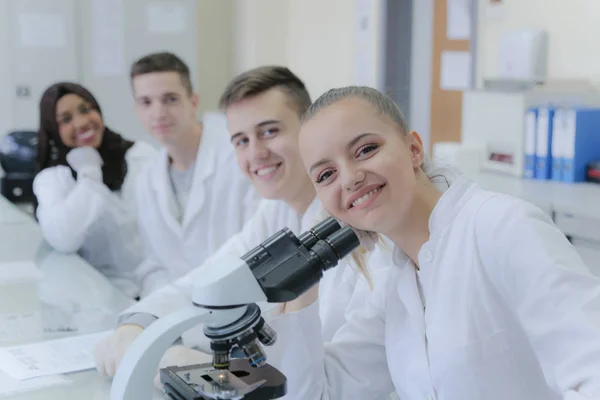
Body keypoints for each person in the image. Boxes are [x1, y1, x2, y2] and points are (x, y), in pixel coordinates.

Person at [269, 86, 600, 400]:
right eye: (326, 175)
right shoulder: (393, 280)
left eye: (366, 150)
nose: (350, 177)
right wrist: (305, 269)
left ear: (413, 149)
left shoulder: (502, 227)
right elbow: (315, 394)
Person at [94, 68, 394, 400]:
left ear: (309, 131)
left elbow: (332, 377)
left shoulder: (362, 232)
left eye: (269, 131)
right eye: (241, 140)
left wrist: (174, 359)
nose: (256, 153)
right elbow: (211, 280)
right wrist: (139, 322)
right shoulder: (277, 211)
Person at [128, 52, 261, 297]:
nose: (158, 113)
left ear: (193, 101)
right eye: (146, 102)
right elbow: (154, 264)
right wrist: (161, 311)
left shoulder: (238, 156)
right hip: (182, 316)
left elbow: (258, 244)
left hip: (243, 305)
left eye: (170, 99)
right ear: (136, 109)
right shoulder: (146, 179)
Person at [33, 82, 155, 298]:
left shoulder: (141, 155)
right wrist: (89, 173)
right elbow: (64, 239)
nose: (81, 122)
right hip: (102, 298)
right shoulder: (52, 180)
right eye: (66, 119)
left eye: (85, 110)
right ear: (53, 129)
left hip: (158, 288)